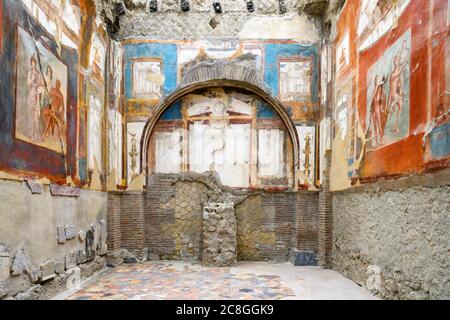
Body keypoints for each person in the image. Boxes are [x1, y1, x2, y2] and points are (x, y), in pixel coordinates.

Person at [387, 53, 407, 133]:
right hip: (393, 94)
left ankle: (395, 127)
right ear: (394, 61)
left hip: (396, 94)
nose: (397, 61)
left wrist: (401, 88)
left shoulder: (399, 73)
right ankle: (391, 107)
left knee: (401, 105)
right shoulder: (392, 74)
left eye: (398, 60)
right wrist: (403, 65)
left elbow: (400, 82)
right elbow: (397, 74)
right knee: (398, 98)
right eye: (396, 59)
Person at [27, 55, 44, 142]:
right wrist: (32, 78)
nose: (33, 64)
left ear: (36, 63)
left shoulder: (38, 73)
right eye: (32, 62)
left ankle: (37, 135)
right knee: (31, 117)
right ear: (31, 63)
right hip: (31, 96)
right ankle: (31, 135)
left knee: (36, 117)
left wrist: (40, 89)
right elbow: (28, 83)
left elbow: (41, 85)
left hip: (37, 97)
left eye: (34, 62)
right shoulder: (30, 72)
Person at [369, 74, 386, 146]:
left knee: (379, 124)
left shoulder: (379, 88)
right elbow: (372, 101)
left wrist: (381, 107)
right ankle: (376, 141)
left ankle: (381, 139)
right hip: (373, 109)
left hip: (377, 108)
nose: (375, 81)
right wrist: (370, 113)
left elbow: (381, 98)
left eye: (376, 79)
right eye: (375, 80)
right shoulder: (375, 89)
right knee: (375, 126)